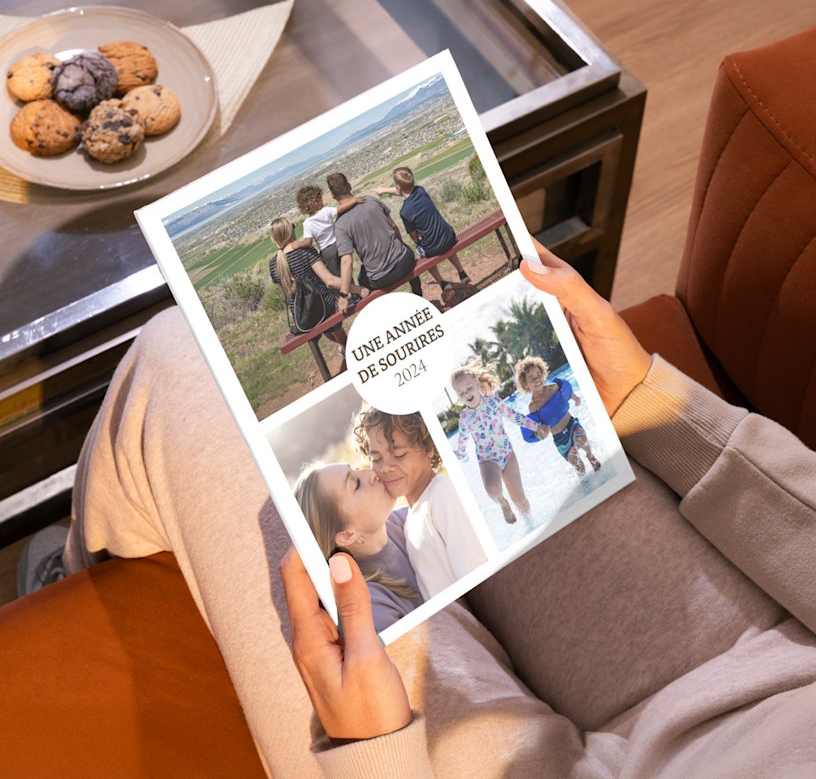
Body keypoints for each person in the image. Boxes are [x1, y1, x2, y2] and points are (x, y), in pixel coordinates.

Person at [21, 248, 816, 778]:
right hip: (773, 659)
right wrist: (657, 403)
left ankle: (90, 569)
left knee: (184, 350)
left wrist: (373, 753)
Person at [353, 405, 487, 600]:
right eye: (376, 458)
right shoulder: (412, 517)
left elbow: (480, 578)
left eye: (399, 455)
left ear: (429, 448)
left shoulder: (443, 495)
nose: (386, 467)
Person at [292, 461, 423, 633]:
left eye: (357, 470)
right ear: (347, 535)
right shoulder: (372, 605)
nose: (372, 473)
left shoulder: (410, 518)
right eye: (356, 484)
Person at [452, 359, 548, 525]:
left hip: (506, 453)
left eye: (468, 388)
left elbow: (515, 416)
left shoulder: (494, 403)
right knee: (492, 489)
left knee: (519, 497)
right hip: (487, 459)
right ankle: (503, 502)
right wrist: (458, 454)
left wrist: (535, 426)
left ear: (476, 383)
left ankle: (531, 524)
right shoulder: (465, 418)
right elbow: (462, 441)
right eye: (461, 393)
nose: (466, 393)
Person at [326, 172, 422, 312]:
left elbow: (347, 261)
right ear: (349, 185)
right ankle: (418, 295)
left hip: (380, 278)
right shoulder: (371, 200)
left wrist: (343, 295)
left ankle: (389, 313)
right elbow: (393, 226)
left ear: (333, 195)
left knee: (362, 281)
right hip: (404, 263)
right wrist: (401, 246)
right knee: (406, 251)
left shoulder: (340, 225)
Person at [267, 216, 367, 350]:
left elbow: (287, 296)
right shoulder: (304, 252)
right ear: (290, 231)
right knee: (340, 335)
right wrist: (358, 289)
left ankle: (343, 349)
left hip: (304, 318)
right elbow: (330, 281)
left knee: (327, 328)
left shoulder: (273, 265)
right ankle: (348, 350)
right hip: (324, 308)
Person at [373, 166, 470, 292]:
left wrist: (418, 243)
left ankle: (443, 284)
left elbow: (413, 236)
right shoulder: (421, 190)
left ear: (398, 187)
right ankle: (462, 273)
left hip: (433, 248)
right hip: (449, 236)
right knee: (442, 237)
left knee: (420, 252)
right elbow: (403, 190)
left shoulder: (405, 211)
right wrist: (383, 190)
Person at [514, 356, 602, 476]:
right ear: (526, 384)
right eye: (531, 378)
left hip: (572, 425)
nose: (537, 379)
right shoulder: (533, 406)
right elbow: (537, 427)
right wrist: (540, 434)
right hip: (560, 439)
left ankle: (590, 455)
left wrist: (576, 399)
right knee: (579, 468)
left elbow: (567, 392)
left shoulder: (553, 388)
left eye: (538, 374)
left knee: (582, 441)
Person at [294, 184, 364, 277]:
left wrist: (297, 244)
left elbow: (308, 242)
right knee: (346, 273)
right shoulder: (326, 211)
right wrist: (354, 200)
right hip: (339, 244)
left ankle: (341, 291)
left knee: (334, 275)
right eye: (320, 200)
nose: (323, 202)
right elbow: (342, 208)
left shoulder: (307, 223)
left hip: (326, 251)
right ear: (315, 202)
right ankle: (354, 290)